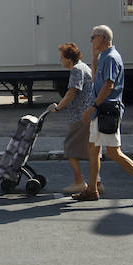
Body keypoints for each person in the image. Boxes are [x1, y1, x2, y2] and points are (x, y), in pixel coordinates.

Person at [73, 25, 133, 205]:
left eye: (93, 37)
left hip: (106, 111)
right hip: (100, 110)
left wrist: (92, 106)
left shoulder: (111, 57)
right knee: (93, 148)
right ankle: (92, 190)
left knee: (113, 152)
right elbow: (96, 79)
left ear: (102, 38)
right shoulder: (104, 56)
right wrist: (94, 57)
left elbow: (108, 85)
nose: (91, 40)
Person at [48, 43, 94, 194]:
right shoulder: (84, 67)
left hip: (81, 116)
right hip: (87, 114)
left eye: (61, 57)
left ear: (68, 58)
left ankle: (79, 181)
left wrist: (58, 107)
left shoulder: (76, 70)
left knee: (69, 147)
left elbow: (71, 92)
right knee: (91, 150)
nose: (60, 60)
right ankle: (97, 182)